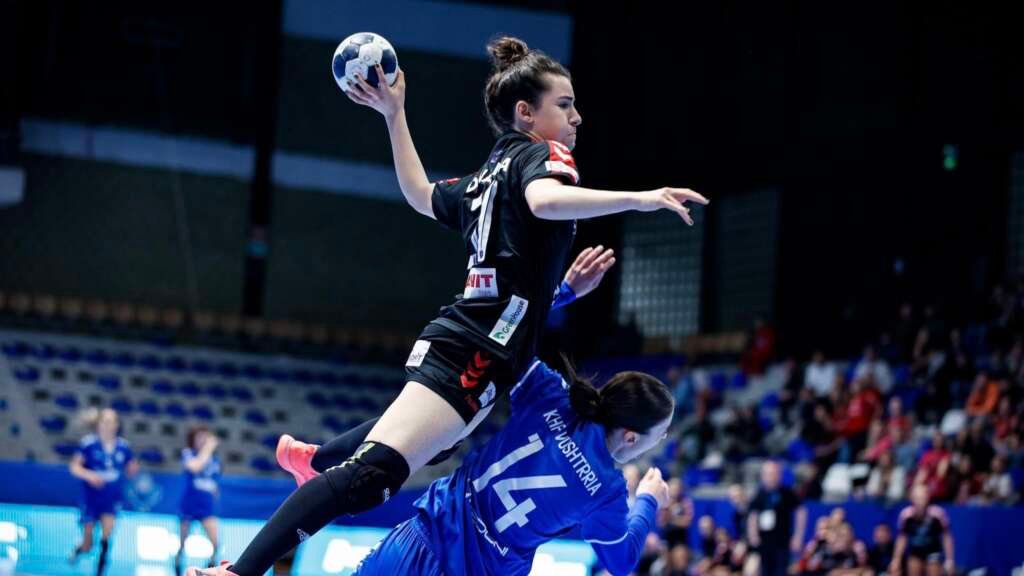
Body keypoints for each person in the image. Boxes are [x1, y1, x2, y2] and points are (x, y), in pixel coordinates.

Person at [188, 35, 707, 576]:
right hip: (476, 350)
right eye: (565, 104)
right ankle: (241, 567)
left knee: (430, 445)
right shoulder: (544, 156)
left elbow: (421, 195)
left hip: (474, 340)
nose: (576, 117)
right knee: (373, 476)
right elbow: (544, 200)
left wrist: (395, 115)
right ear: (526, 114)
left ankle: (314, 460)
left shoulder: (487, 176)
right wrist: (641, 199)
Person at [353, 358, 673, 575]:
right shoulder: (607, 490)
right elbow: (621, 562)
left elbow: (509, 341)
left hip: (418, 540)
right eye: (661, 433)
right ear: (631, 438)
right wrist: (648, 500)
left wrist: (564, 292)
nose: (662, 439)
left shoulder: (551, 393)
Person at [68, 408, 138, 576]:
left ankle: (100, 572)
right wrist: (89, 475)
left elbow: (131, 467)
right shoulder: (88, 444)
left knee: (106, 537)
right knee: (88, 544)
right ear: (98, 424)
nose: (109, 425)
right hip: (91, 497)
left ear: (117, 425)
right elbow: (74, 467)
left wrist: (132, 469)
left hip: (112, 498)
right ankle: (80, 549)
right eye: (105, 421)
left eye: (112, 422)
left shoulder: (123, 446)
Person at [747, 461, 807, 576]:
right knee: (764, 571)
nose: (770, 477)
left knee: (780, 571)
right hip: (764, 541)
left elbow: (801, 511)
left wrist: (798, 536)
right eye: (767, 474)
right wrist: (753, 534)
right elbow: (753, 515)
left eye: (774, 473)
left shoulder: (787, 493)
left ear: (779, 475)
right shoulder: (759, 494)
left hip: (782, 541)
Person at [177, 426, 222, 574]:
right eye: (199, 437)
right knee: (183, 542)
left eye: (205, 437)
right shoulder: (188, 453)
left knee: (215, 543)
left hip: (206, 507)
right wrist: (208, 448)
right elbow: (195, 467)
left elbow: (214, 481)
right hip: (189, 504)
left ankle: (209, 570)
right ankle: (177, 565)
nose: (203, 440)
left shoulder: (215, 460)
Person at [890, 484, 955, 576]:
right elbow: (902, 538)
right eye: (917, 498)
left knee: (933, 569)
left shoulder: (937, 514)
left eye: (922, 497)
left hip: (933, 551)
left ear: (928, 498)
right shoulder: (906, 515)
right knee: (913, 566)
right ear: (912, 499)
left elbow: (946, 536)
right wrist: (896, 559)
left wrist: (949, 560)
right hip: (915, 552)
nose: (919, 501)